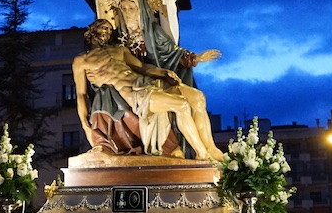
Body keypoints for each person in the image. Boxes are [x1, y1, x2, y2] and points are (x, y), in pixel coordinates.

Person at [72, 19, 224, 160]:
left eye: (109, 29)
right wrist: (85, 124)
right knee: (182, 105)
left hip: (145, 81)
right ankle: (202, 154)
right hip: (132, 92)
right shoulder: (82, 60)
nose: (107, 32)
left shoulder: (119, 50)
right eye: (103, 27)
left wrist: (164, 72)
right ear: (91, 31)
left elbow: (142, 67)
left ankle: (211, 148)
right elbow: (81, 94)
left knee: (198, 97)